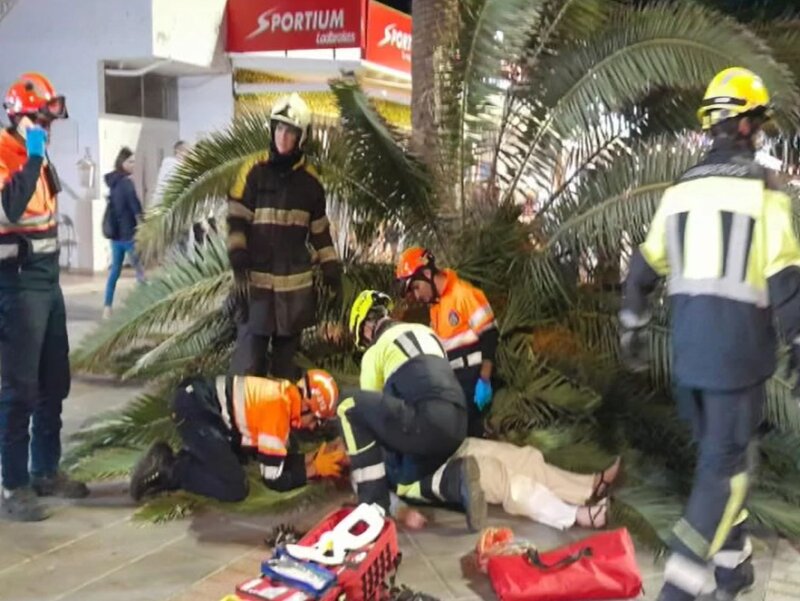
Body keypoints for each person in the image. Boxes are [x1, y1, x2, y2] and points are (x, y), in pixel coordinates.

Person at [619, 67, 800, 601]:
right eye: (759, 123)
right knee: (727, 473)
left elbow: (642, 269)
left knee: (717, 457)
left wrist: (631, 323)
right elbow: (787, 283)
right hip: (738, 362)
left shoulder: (679, 194)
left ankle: (734, 568)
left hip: (689, 362)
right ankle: (681, 585)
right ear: (745, 127)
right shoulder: (764, 196)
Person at [0, 72, 88, 521]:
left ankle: (45, 470)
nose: (47, 127)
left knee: (55, 381)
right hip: (17, 284)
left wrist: (38, 155)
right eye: (41, 118)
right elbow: (9, 208)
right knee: (20, 388)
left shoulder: (38, 152)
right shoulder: (5, 153)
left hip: (48, 282)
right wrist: (32, 159)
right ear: (21, 116)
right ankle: (15, 485)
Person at [340, 289, 485, 531]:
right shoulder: (425, 332)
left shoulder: (375, 352)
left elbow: (373, 415)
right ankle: (453, 479)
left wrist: (354, 455)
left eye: (363, 338)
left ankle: (377, 504)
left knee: (352, 410)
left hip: (423, 424)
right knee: (410, 471)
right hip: (457, 424)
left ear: (366, 327)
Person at [227, 93, 341, 380]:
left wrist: (331, 268)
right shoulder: (252, 172)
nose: (283, 137)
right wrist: (238, 256)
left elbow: (319, 232)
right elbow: (236, 219)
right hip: (255, 293)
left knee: (285, 374)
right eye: (279, 128)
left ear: (301, 138)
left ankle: (283, 423)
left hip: (294, 297)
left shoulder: (311, 184)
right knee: (248, 370)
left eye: (290, 131)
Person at [129, 369, 346, 502]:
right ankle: (171, 468)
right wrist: (315, 469)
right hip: (196, 411)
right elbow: (273, 478)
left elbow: (274, 460)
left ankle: (184, 460)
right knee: (234, 487)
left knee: (236, 459)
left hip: (201, 408)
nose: (313, 426)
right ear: (306, 406)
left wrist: (313, 458)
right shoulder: (277, 411)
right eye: (316, 419)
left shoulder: (284, 396)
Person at [397, 438, 622, 531]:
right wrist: (400, 510)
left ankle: (589, 486)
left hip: (443, 448)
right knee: (501, 479)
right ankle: (576, 515)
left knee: (525, 458)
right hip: (430, 476)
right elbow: (366, 492)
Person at [395, 247, 498, 437]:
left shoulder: (464, 294)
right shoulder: (435, 308)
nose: (417, 296)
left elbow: (490, 336)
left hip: (474, 382)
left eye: (416, 287)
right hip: (454, 383)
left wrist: (484, 380)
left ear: (427, 273)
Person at [102, 146, 146, 319]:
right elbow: (136, 207)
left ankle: (107, 307)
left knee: (115, 272)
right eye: (130, 161)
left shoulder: (113, 182)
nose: (133, 164)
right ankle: (145, 305)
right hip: (128, 235)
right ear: (122, 162)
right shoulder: (127, 183)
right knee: (140, 270)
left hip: (115, 235)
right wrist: (145, 224)